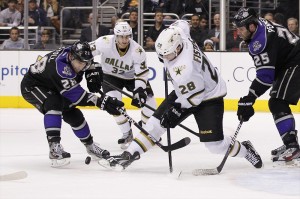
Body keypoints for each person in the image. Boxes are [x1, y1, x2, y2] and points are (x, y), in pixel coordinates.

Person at [98, 27, 263, 170]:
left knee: (215, 145)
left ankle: (246, 150)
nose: (163, 58)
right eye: (161, 54)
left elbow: (195, 97)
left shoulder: (184, 69)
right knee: (155, 123)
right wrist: (172, 112)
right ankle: (130, 154)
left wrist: (176, 111)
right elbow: (182, 24)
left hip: (209, 97)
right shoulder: (179, 32)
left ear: (177, 49)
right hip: (186, 90)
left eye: (167, 55)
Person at [20, 41, 124, 167]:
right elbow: (78, 97)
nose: (81, 67)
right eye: (80, 63)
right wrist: (103, 103)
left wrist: (92, 71)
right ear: (71, 57)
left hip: (53, 85)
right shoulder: (61, 68)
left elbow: (90, 62)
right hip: (34, 86)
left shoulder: (75, 53)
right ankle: (54, 149)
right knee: (54, 104)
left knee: (73, 113)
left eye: (85, 63)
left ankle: (90, 146)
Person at [233, 7, 300, 165]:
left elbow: (265, 77)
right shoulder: (259, 24)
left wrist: (249, 98)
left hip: (295, 61)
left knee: (277, 102)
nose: (239, 33)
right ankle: (291, 144)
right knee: (277, 101)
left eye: (241, 29)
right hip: (289, 61)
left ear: (251, 27)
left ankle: (292, 146)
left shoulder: (260, 42)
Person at [88, 21, 157, 149]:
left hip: (132, 78)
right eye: (121, 36)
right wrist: (91, 69)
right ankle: (127, 133)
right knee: (114, 104)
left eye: (127, 36)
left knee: (149, 102)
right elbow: (86, 52)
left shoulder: (137, 50)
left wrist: (140, 89)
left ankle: (148, 131)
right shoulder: (104, 42)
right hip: (110, 77)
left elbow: (141, 73)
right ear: (116, 36)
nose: (125, 40)